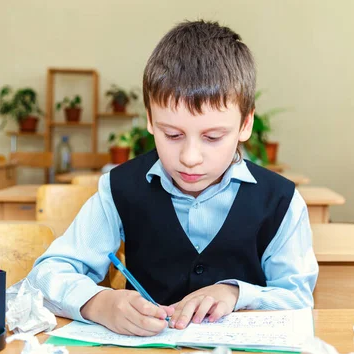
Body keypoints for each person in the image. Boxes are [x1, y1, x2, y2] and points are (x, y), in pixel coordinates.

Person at [28, 20, 318, 337]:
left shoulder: (280, 201)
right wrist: (99, 303)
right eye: (173, 134)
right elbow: (47, 273)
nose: (190, 157)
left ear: (245, 124)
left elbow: (297, 297)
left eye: (213, 137)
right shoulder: (120, 188)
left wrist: (235, 294)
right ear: (151, 120)